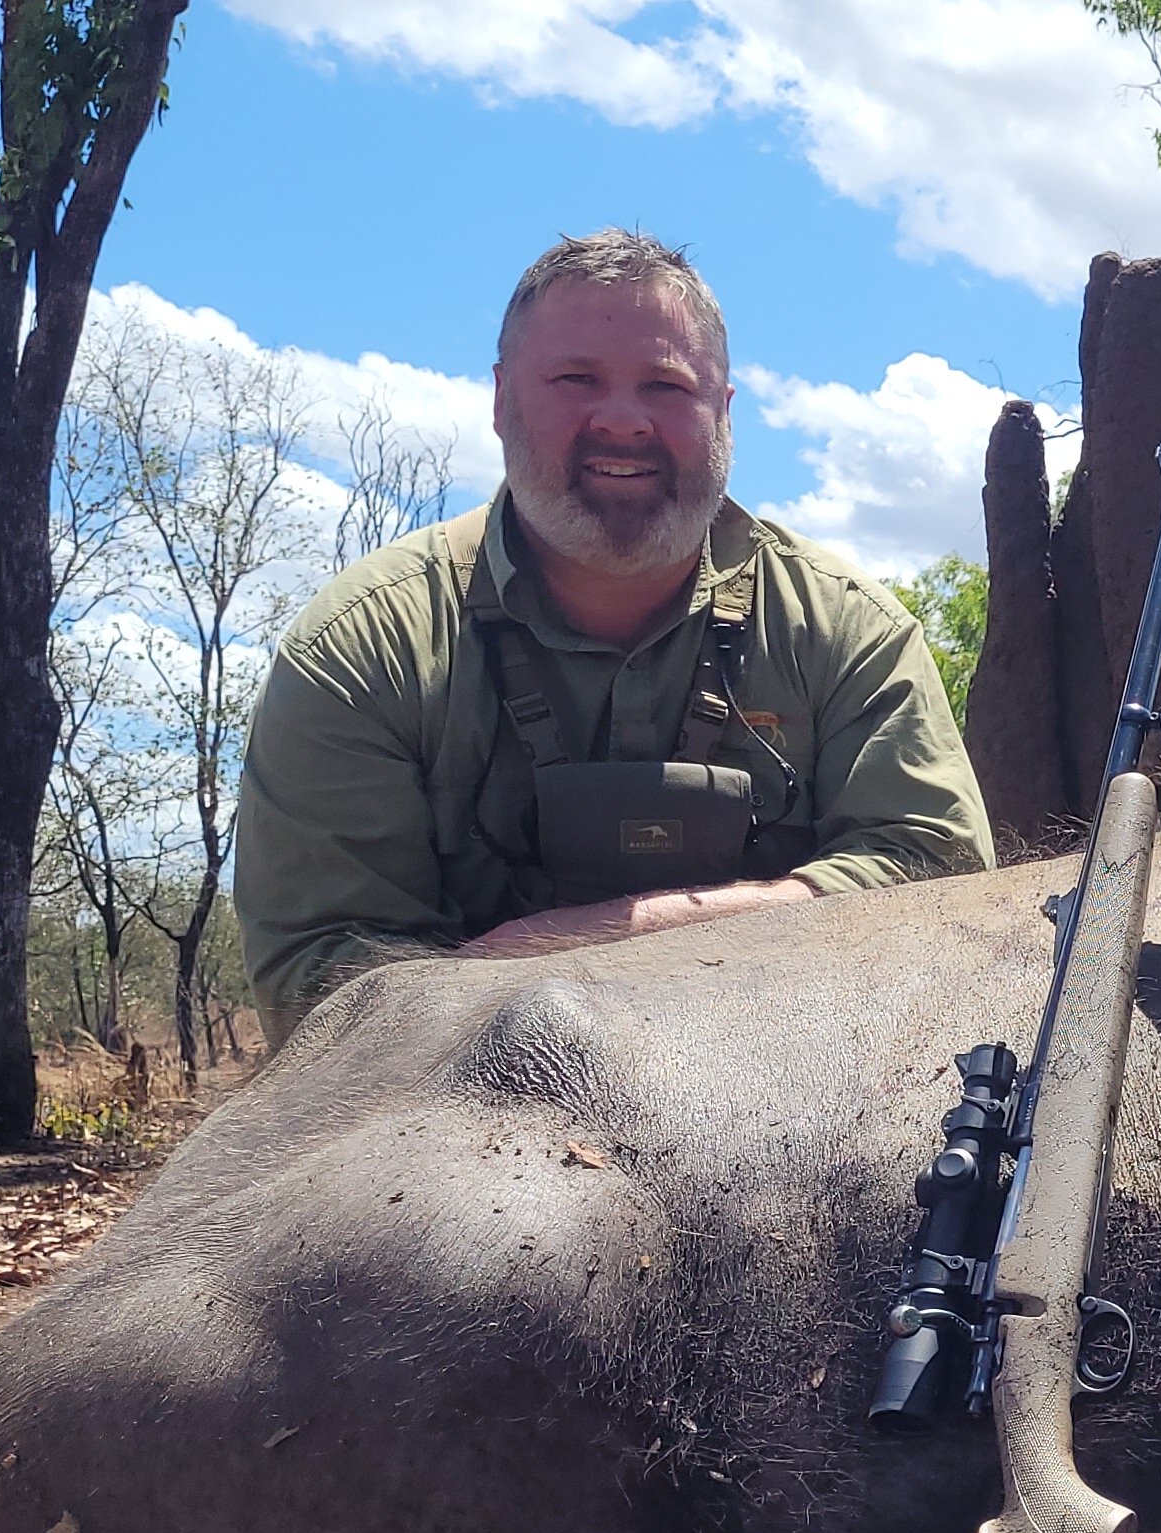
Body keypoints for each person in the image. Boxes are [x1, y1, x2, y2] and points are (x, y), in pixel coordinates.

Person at [236, 230, 993, 1040]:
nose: (625, 421)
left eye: (667, 385)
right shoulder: (362, 648)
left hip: (796, 1099)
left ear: (724, 414)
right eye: (575, 379)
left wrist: (572, 946)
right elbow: (318, 985)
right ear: (501, 401)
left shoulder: (849, 632)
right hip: (456, 1120)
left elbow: (940, 887)